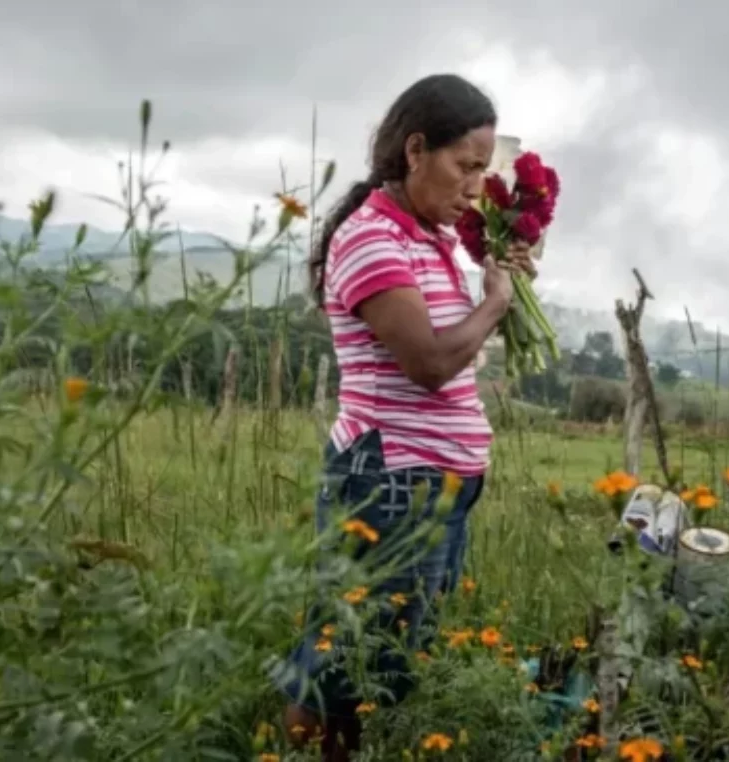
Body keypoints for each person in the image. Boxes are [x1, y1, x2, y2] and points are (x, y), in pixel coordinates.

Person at [269, 73, 535, 760]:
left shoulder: (432, 238)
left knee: (385, 654)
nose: (477, 186)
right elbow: (429, 361)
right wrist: (495, 304)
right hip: (388, 482)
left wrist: (502, 284)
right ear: (416, 149)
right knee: (345, 654)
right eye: (466, 166)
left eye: (484, 168)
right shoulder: (371, 239)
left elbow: (454, 342)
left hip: (431, 486)